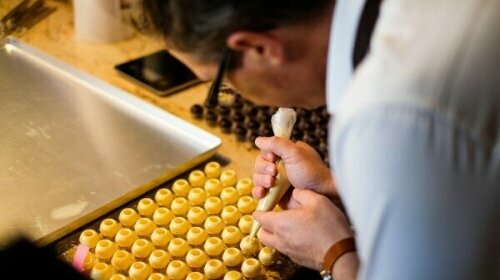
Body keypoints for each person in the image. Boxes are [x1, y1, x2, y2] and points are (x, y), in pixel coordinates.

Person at [142, 0, 500, 279]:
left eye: (218, 82)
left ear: (259, 47)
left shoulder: (385, 118)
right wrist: (338, 187)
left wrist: (333, 253)